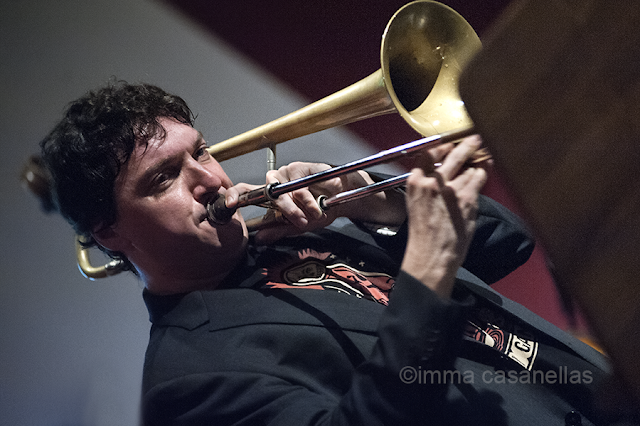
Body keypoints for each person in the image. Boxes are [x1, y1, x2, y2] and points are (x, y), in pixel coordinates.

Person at [39, 81, 635, 425]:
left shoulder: (304, 232)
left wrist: (378, 205)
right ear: (109, 232)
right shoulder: (188, 382)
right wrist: (425, 267)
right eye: (165, 177)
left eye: (201, 152)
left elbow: (508, 243)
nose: (211, 180)